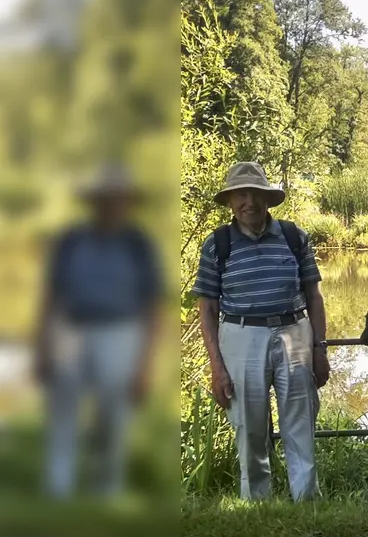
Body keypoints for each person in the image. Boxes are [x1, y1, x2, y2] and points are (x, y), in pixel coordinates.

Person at [192, 161, 328, 502]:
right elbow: (206, 309)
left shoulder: (294, 237)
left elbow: (314, 296)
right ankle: (257, 507)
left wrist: (320, 349)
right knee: (249, 429)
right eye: (240, 195)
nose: (248, 202)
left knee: (300, 424)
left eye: (255, 194)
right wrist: (216, 366)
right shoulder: (216, 244)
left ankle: (307, 504)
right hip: (241, 336)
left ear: (267, 199)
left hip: (294, 332)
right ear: (230, 202)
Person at [36, 164, 161, 498]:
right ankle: (58, 491)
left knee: (113, 411)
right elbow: (51, 295)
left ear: (127, 203)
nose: (111, 205)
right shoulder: (71, 240)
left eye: (118, 199)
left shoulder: (139, 244)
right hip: (71, 329)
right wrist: (43, 346)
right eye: (105, 199)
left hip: (120, 332)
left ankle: (107, 489)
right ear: (94, 202)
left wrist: (145, 364)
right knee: (63, 410)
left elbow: (153, 303)